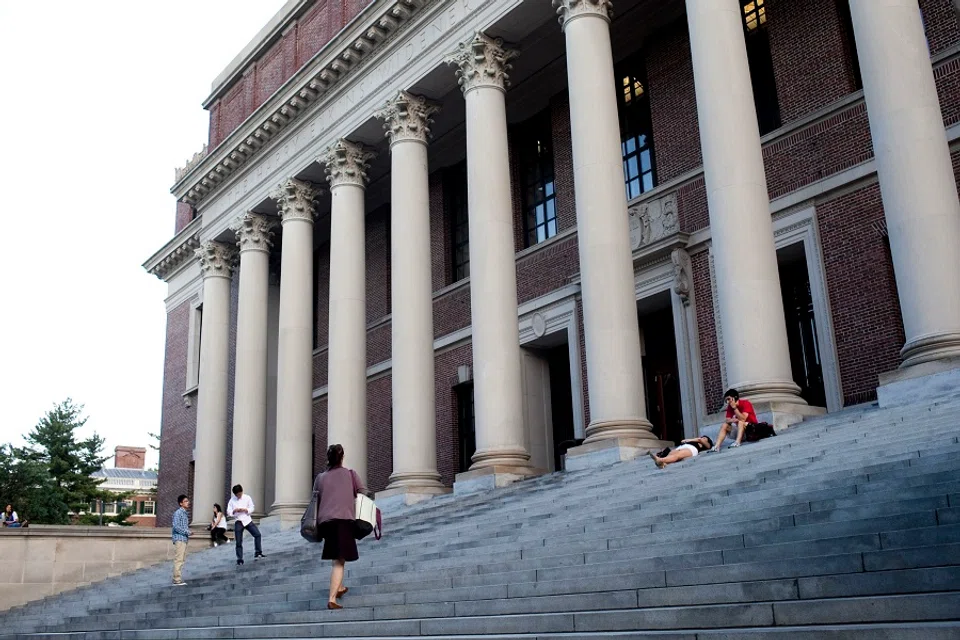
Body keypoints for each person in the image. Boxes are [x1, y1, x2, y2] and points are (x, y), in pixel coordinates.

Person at [313, 443, 366, 610]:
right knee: (339, 561)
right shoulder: (350, 474)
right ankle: (332, 598)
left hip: (325, 523)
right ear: (342, 457)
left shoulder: (320, 478)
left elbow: (315, 497)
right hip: (343, 521)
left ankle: (340, 586)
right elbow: (363, 492)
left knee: (337, 555)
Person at [227, 484, 263, 566]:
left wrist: (245, 510)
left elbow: (252, 507)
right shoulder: (232, 500)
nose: (238, 496)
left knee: (257, 534)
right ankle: (239, 558)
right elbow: (229, 511)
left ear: (242, 492)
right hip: (238, 521)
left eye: (239, 494)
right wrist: (234, 511)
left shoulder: (247, 497)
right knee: (238, 541)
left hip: (247, 519)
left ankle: (258, 552)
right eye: (237, 495)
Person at [648, 436, 714, 469]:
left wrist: (689, 440)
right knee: (672, 453)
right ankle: (663, 463)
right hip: (681, 447)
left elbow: (700, 439)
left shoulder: (706, 445)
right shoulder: (695, 441)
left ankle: (660, 460)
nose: (703, 438)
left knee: (677, 455)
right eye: (703, 437)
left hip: (690, 449)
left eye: (705, 438)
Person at [171, 495, 191, 586]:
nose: (188, 502)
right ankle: (177, 579)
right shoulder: (178, 513)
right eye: (186, 501)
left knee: (181, 559)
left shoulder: (184, 513)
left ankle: (177, 578)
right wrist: (187, 532)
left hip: (184, 538)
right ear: (181, 503)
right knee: (179, 559)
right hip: (179, 538)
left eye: (187, 501)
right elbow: (175, 526)